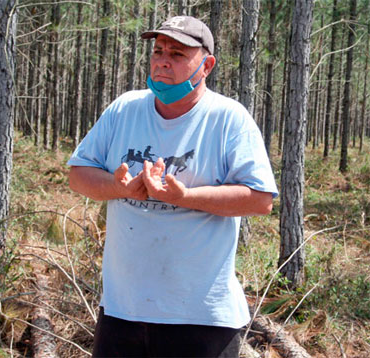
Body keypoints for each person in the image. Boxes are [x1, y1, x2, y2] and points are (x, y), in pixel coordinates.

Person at [68, 15, 278, 358]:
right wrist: (122, 188)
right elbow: (78, 174)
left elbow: (260, 199)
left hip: (201, 317)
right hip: (123, 310)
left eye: (178, 54)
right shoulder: (124, 110)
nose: (163, 61)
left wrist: (186, 197)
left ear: (206, 64)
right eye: (158, 51)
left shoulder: (228, 119)